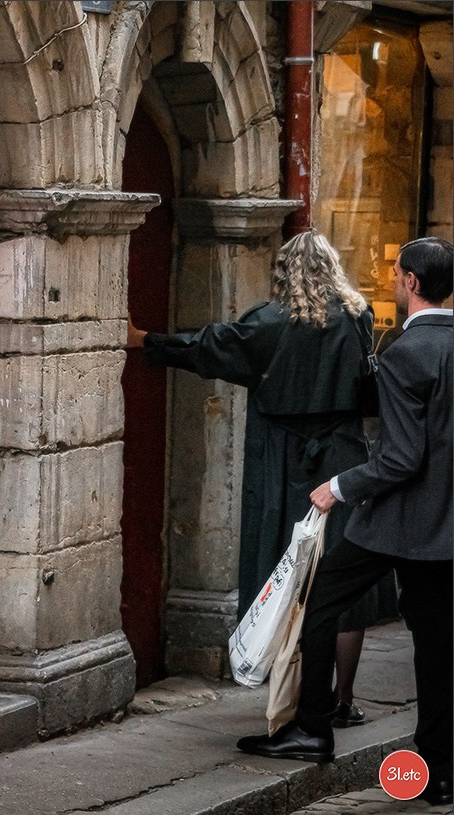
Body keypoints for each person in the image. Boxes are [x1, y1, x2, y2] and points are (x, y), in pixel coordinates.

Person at [127, 230, 398, 723]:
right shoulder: (356, 316)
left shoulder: (267, 323)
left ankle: (290, 693)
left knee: (283, 575)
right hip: (340, 454)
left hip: (282, 460)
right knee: (340, 578)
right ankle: (342, 700)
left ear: (282, 273)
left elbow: (209, 346)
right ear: (332, 269)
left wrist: (147, 341)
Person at [236, 236, 453, 806]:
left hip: (399, 519)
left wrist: (338, 486)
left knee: (322, 599)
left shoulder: (407, 353)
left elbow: (403, 458)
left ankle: (311, 728)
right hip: (445, 525)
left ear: (408, 281)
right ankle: (437, 770)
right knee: (435, 644)